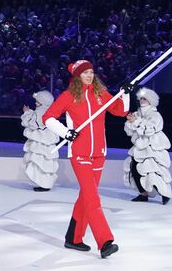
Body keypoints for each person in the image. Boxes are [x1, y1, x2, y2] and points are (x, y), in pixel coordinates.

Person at [43, 60, 133, 258]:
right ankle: (105, 241)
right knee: (92, 198)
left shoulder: (100, 94)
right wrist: (65, 133)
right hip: (80, 153)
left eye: (92, 72)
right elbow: (48, 117)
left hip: (99, 153)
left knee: (86, 196)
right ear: (77, 76)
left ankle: (73, 238)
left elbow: (120, 111)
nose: (89, 75)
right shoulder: (68, 96)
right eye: (85, 73)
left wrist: (125, 93)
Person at [123, 87, 172, 204]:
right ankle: (143, 194)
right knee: (135, 168)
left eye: (144, 98)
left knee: (154, 170)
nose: (142, 100)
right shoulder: (136, 113)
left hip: (153, 147)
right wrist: (131, 122)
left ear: (150, 100)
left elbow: (151, 129)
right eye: (140, 98)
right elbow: (128, 130)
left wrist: (136, 122)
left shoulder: (155, 115)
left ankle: (165, 194)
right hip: (139, 147)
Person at [21, 90, 60, 191]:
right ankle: (44, 182)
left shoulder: (40, 112)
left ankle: (44, 183)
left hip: (41, 142)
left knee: (40, 161)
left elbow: (32, 124)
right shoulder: (48, 111)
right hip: (46, 140)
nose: (35, 103)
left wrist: (26, 113)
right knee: (44, 162)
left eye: (37, 102)